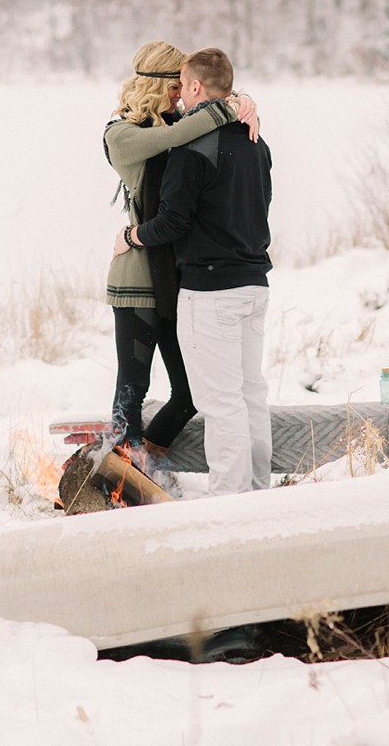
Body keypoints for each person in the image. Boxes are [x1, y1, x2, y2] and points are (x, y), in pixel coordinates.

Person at [113, 47, 273, 497]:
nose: (179, 95)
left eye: (183, 86)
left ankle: (228, 499)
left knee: (221, 403)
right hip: (255, 283)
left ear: (196, 87)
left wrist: (132, 237)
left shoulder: (192, 146)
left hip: (209, 289)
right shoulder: (255, 141)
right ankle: (259, 489)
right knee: (250, 394)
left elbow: (173, 222)